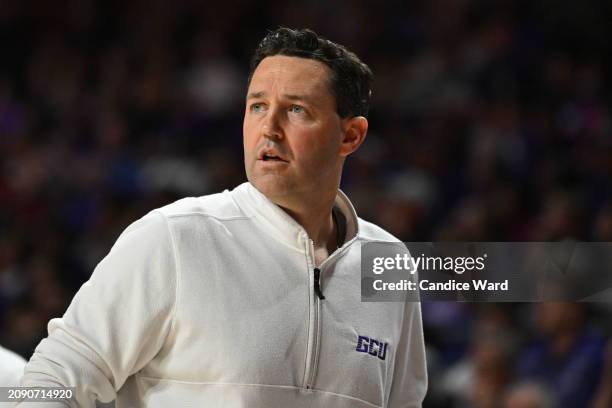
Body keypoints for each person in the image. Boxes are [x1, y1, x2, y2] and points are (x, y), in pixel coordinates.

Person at [19, 27, 427, 407]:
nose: (269, 128)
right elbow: (50, 382)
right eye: (258, 106)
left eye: (297, 110)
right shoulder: (173, 238)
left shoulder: (390, 264)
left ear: (351, 135)